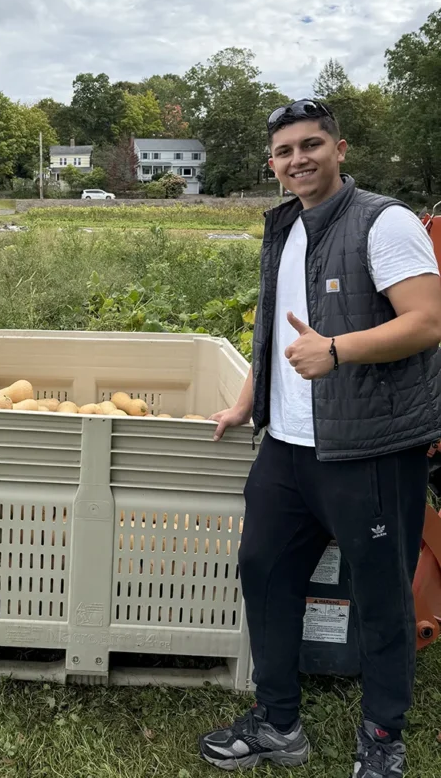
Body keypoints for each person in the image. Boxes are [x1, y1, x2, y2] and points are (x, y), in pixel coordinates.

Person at [199, 100, 441, 777]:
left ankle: (382, 739)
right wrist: (246, 402)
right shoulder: (285, 226)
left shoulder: (384, 222)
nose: (298, 159)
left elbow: (427, 320)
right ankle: (278, 723)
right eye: (285, 151)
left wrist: (337, 350)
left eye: (311, 145)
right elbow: (276, 328)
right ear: (272, 164)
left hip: (369, 449)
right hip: (287, 447)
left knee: (382, 596)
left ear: (340, 149)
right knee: (263, 571)